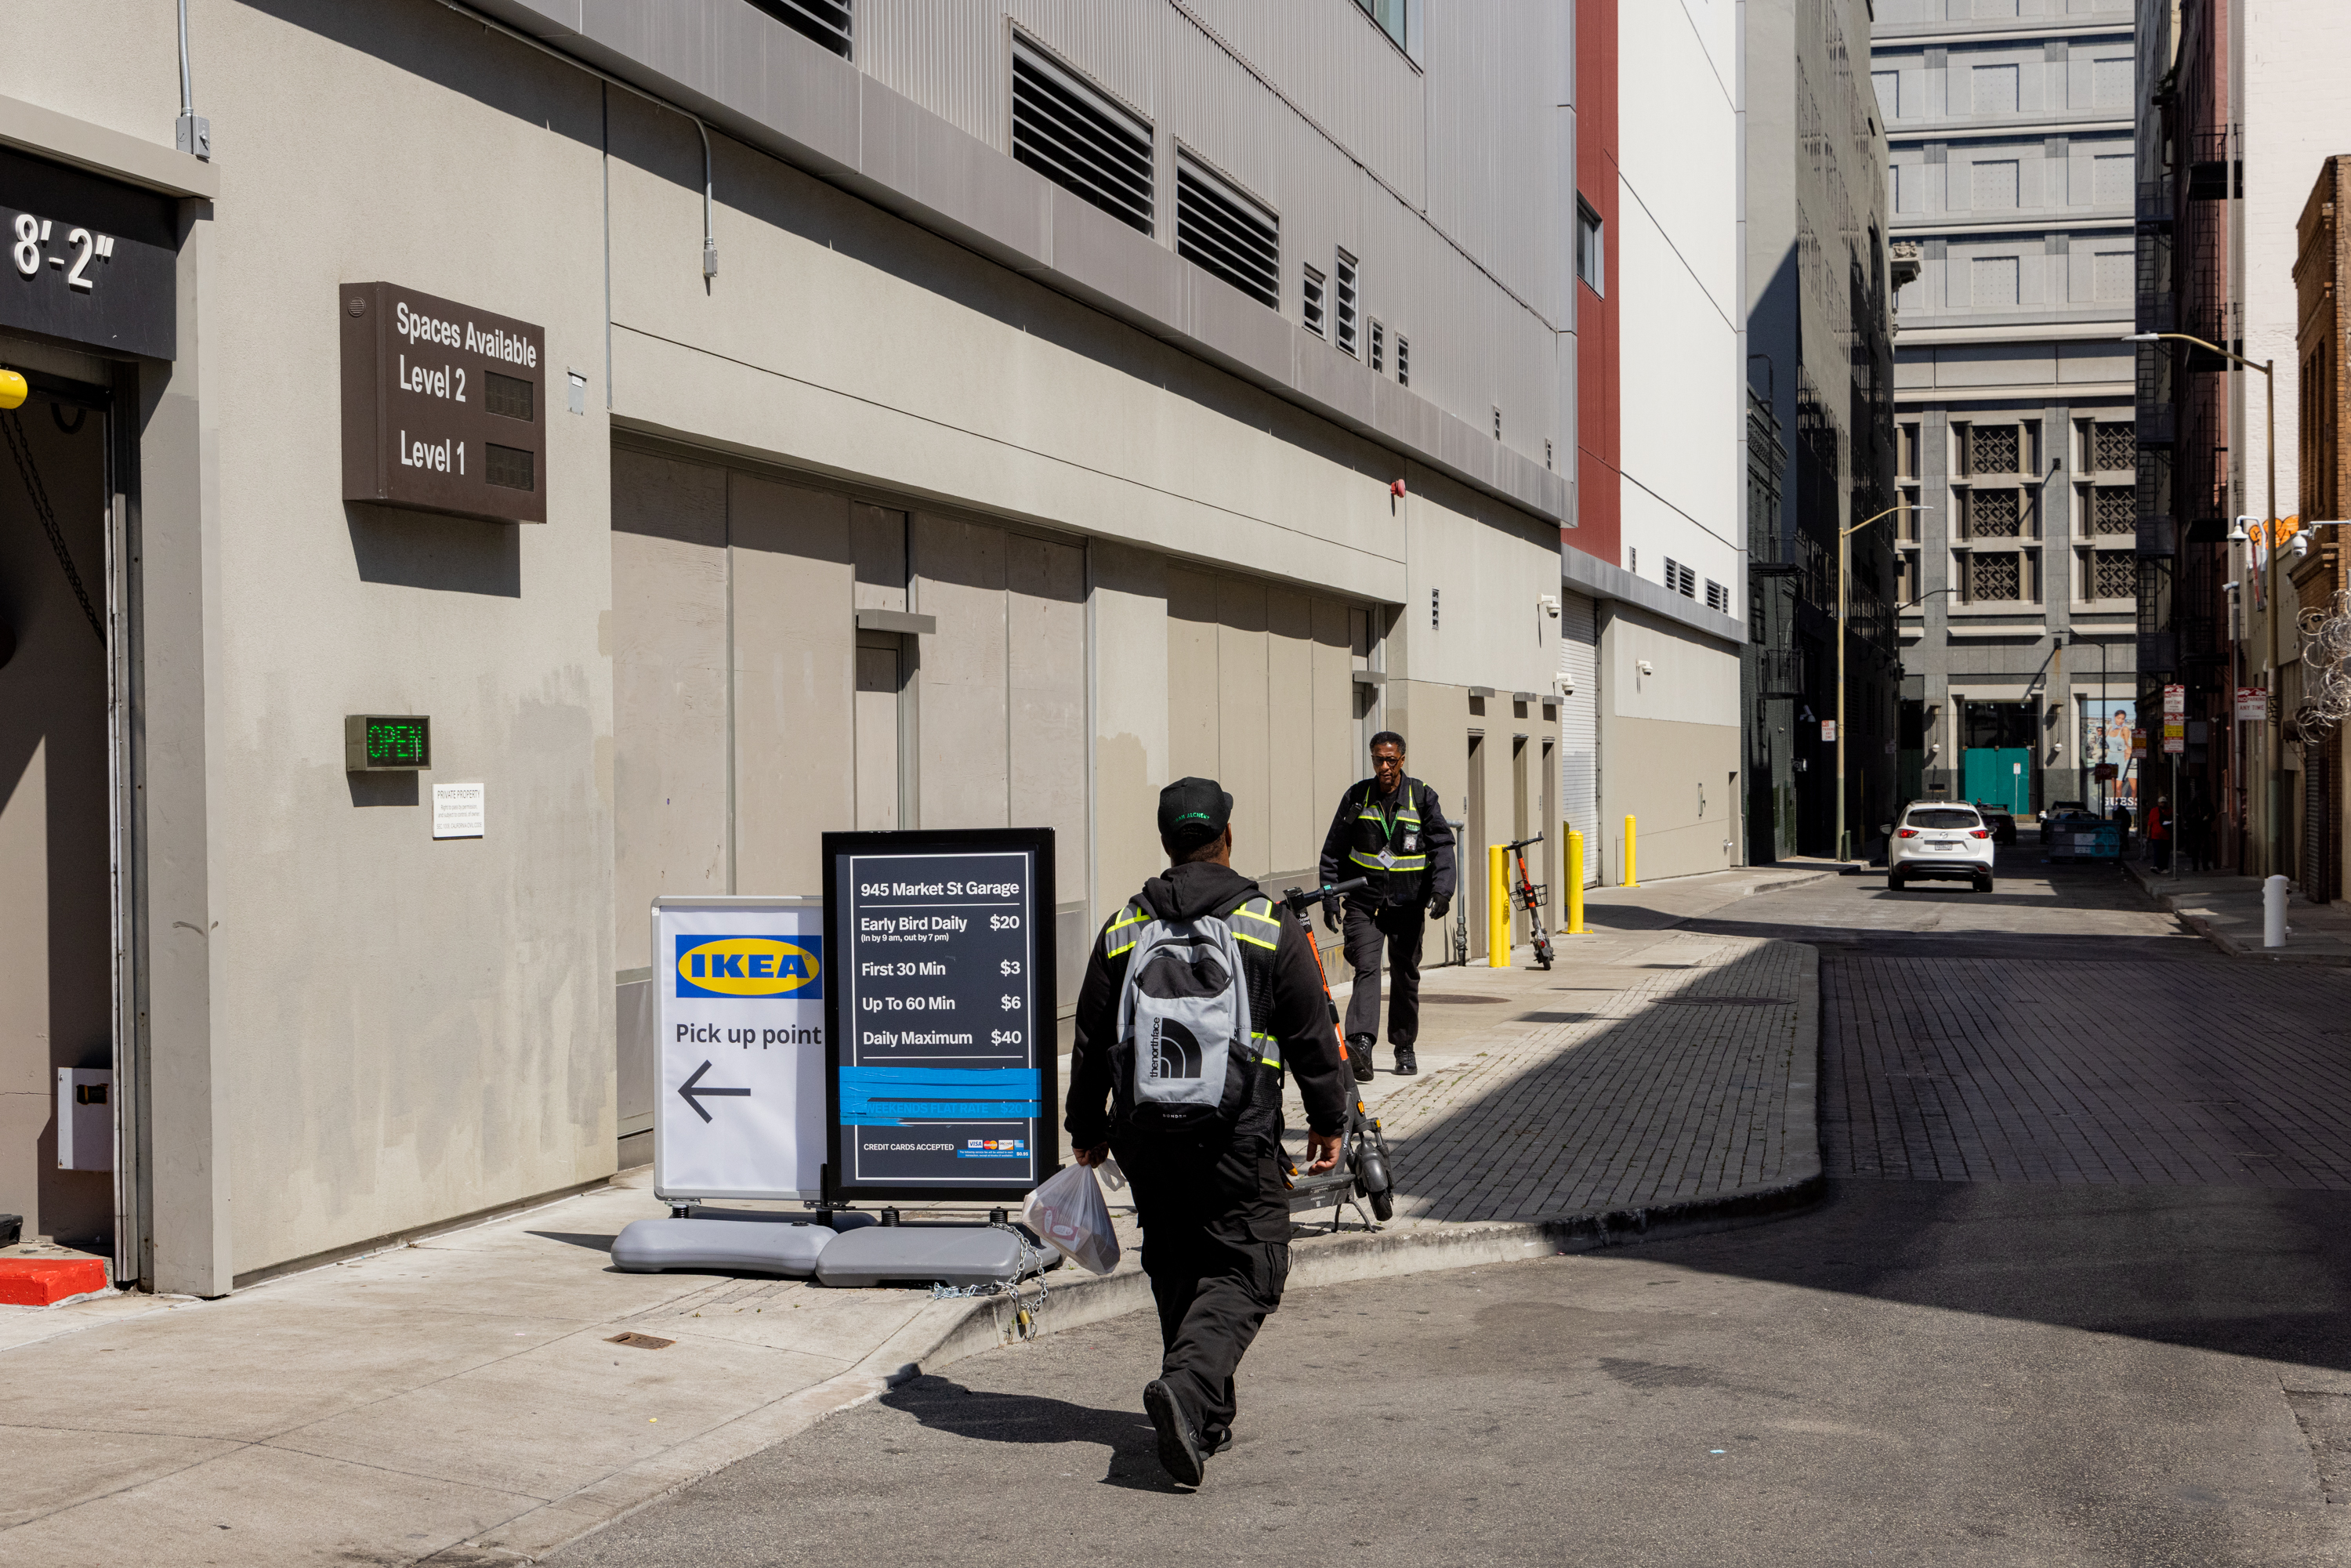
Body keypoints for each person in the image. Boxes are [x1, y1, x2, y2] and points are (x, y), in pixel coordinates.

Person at [1067, 777, 1347, 1487]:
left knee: (1176, 1259)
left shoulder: (1125, 925)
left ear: (1166, 843)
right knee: (1249, 1263)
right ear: (1228, 838)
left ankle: (1200, 1415)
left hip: (1145, 1136)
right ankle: (1188, 1392)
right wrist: (1328, 1119)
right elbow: (1312, 1031)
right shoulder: (1264, 922)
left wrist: (1086, 1126)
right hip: (1236, 1133)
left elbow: (1092, 1033)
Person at [1317, 731, 1457, 1080]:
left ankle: (1404, 1046)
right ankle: (1361, 1043)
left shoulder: (1422, 796)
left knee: (1405, 975)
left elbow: (1442, 845)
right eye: (1378, 759)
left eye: (1390, 760)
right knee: (1366, 968)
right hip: (1365, 903)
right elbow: (1334, 848)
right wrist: (1330, 894)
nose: (1384, 767)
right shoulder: (1356, 797)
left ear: (1402, 760)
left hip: (1408, 904)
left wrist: (1443, 890)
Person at [2148, 794, 2172, 871]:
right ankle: (2156, 865)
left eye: (2164, 803)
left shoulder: (2170, 811)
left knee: (2165, 852)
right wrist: (2148, 833)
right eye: (2161, 803)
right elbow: (2150, 823)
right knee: (2157, 851)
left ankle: (2164, 867)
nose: (2163, 804)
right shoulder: (2154, 811)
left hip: (2166, 835)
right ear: (2158, 803)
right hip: (2156, 835)